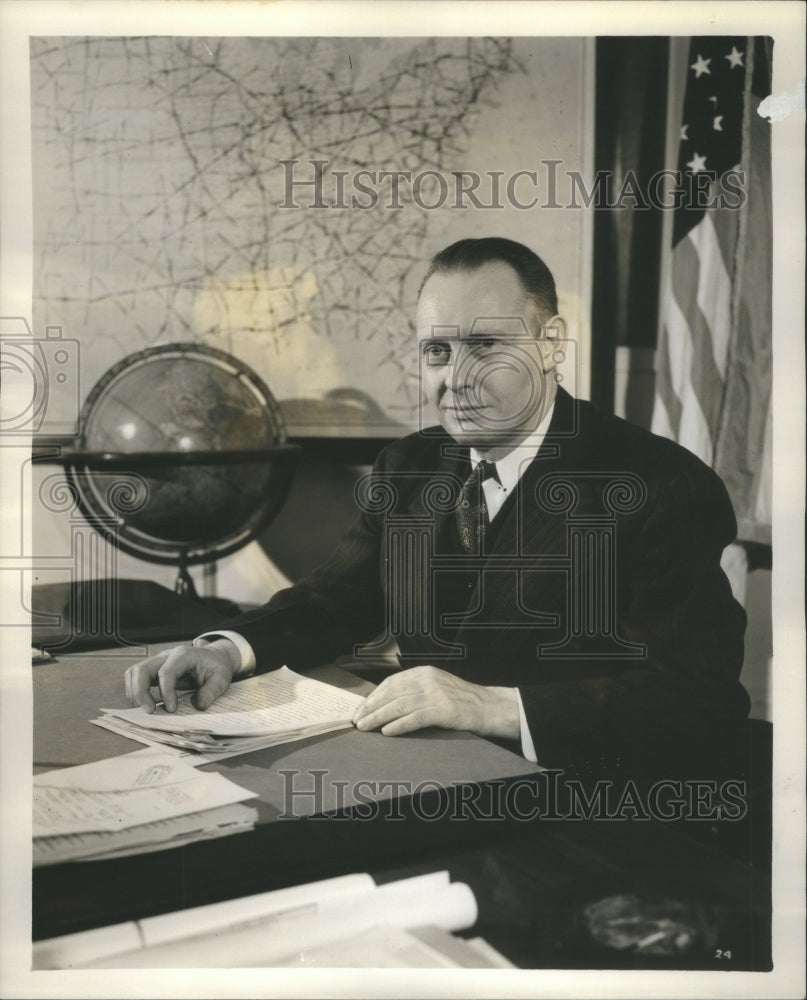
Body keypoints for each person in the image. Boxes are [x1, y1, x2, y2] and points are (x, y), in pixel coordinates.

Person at [125, 237, 749, 772]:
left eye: (485, 347)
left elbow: (698, 700)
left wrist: (490, 705)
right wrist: (226, 650)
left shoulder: (661, 484)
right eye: (438, 352)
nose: (456, 379)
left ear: (552, 342)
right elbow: (333, 601)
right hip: (425, 777)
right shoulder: (409, 467)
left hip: (582, 800)